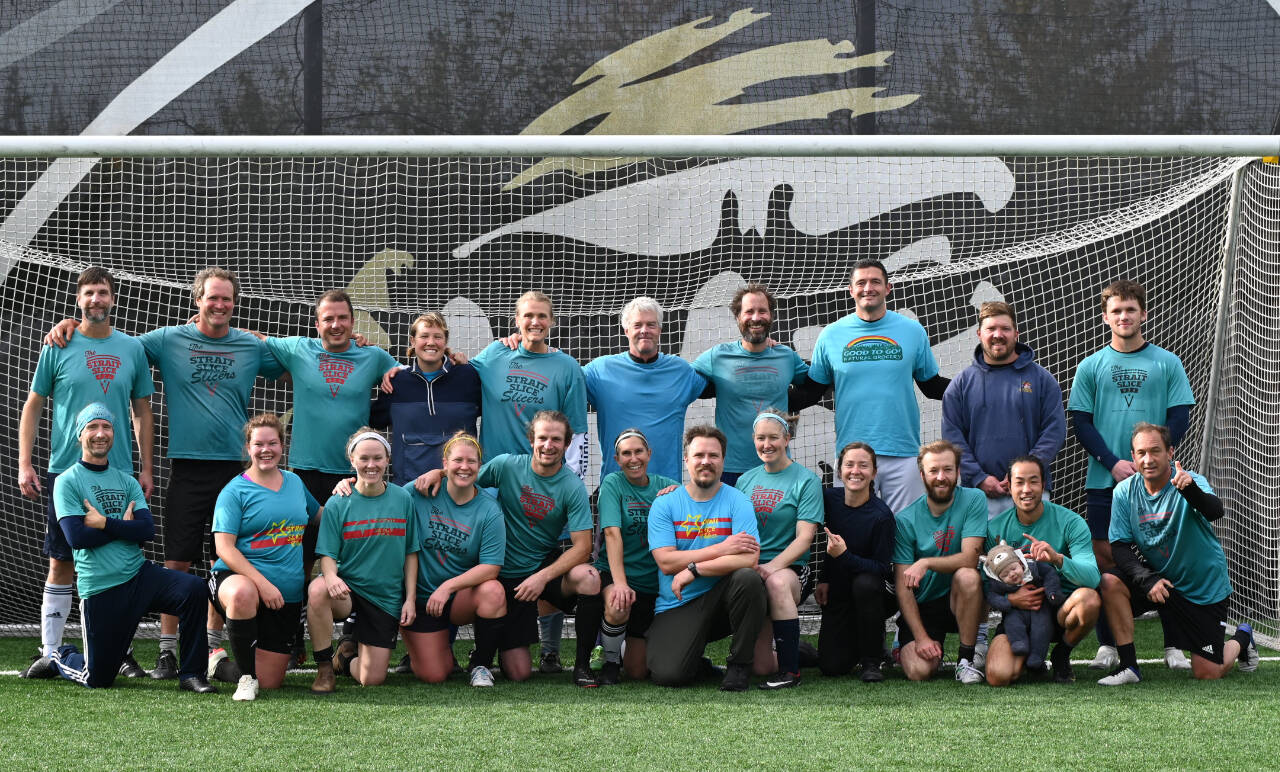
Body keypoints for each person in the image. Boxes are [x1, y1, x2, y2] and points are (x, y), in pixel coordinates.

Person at [45, 267, 284, 679]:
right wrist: (73, 324)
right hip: (187, 468)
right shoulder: (168, 339)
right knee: (178, 559)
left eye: (227, 298)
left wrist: (354, 339)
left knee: (222, 562)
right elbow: (110, 344)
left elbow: (306, 355)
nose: (220, 304)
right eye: (213, 297)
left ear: (235, 303)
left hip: (235, 470)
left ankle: (211, 650)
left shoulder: (250, 345)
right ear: (198, 300)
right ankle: (167, 652)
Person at [18, 267, 155, 678]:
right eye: (89, 293)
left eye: (104, 293)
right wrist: (25, 463)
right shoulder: (57, 344)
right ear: (78, 300)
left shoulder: (131, 348)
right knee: (62, 562)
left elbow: (142, 411)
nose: (97, 299)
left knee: (122, 564)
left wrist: (146, 468)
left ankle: (122, 651)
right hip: (68, 473)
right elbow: (33, 404)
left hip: (120, 475)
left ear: (113, 299)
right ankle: (51, 649)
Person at [29, 403, 215, 694]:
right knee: (99, 678)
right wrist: (122, 527)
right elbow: (77, 537)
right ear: (80, 434)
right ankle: (57, 656)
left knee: (193, 589)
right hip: (102, 587)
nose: (100, 433)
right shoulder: (67, 482)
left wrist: (103, 523)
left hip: (139, 576)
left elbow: (146, 530)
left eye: (106, 427)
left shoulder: (126, 481)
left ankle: (192, 674)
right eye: (93, 427)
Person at [1068, 279, 1195, 671]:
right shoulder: (1091, 366)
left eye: (1131, 310)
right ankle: (1109, 643)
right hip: (1105, 479)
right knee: (1106, 559)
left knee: (1169, 556)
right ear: (1105, 317)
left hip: (1158, 479)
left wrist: (1146, 463)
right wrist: (1113, 461)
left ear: (1143, 314)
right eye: (1116, 311)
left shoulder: (1167, 362)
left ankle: (1175, 643)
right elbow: (1081, 422)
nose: (1124, 317)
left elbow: (1179, 417)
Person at [419, 410, 598, 683]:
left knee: (589, 578)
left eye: (556, 439)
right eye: (542, 438)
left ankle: (583, 665)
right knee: (512, 658)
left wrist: (541, 577)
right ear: (531, 440)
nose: (548, 445)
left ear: (566, 444)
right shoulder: (506, 466)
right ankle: (481, 658)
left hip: (536, 569)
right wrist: (439, 472)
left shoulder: (572, 486)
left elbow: (583, 547)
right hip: (495, 569)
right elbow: (466, 475)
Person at [471, 291, 589, 671]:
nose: (535, 322)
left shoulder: (566, 366)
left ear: (552, 321)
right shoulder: (494, 355)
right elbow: (456, 369)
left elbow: (577, 433)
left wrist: (563, 482)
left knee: (546, 556)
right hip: (497, 485)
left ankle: (550, 648)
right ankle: (483, 648)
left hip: (546, 483)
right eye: (527, 316)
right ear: (515, 320)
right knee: (494, 566)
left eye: (542, 316)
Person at [1097, 423, 1258, 685]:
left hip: (1202, 588)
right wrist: (1145, 579)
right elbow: (1120, 547)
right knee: (1110, 581)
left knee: (1208, 672)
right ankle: (1128, 667)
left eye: (1155, 451)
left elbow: (1215, 511)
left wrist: (1191, 490)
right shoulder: (1124, 492)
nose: (1148, 460)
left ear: (1170, 452)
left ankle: (1242, 637)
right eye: (1141, 453)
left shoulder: (1189, 480)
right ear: (1133, 456)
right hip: (1162, 581)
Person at [792, 259, 950, 514]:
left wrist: (977, 386)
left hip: (903, 453)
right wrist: (765, 392)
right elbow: (811, 391)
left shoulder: (912, 331)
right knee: (854, 533)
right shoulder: (830, 335)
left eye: (875, 282)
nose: (869, 288)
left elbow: (931, 386)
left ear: (888, 288)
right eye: (861, 283)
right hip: (853, 457)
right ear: (851, 290)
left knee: (904, 534)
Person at [645, 425, 767, 691]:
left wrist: (694, 569)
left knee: (748, 579)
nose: (706, 462)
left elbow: (749, 559)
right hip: (678, 603)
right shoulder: (665, 504)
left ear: (723, 460)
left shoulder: (738, 501)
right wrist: (722, 548)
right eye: (699, 455)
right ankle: (696, 662)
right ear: (686, 459)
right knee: (669, 675)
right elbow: (666, 562)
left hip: (724, 597)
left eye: (713, 456)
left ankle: (739, 666)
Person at [209, 414, 319, 701]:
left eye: (272, 443)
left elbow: (321, 516)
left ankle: (218, 665)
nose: (265, 449)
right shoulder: (235, 491)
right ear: (248, 448)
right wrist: (262, 584)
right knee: (243, 592)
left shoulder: (295, 482)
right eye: (259, 444)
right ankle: (245, 680)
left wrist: (350, 491)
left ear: (282, 446)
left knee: (270, 681)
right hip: (239, 580)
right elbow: (224, 548)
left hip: (287, 594)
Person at [307, 429, 417, 690]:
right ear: (352, 461)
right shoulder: (338, 503)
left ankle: (343, 659)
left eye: (378, 458)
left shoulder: (402, 498)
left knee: (372, 679)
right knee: (318, 589)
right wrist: (331, 576)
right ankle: (324, 670)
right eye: (364, 458)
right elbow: (328, 554)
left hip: (384, 596)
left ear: (387, 460)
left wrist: (410, 599)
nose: (371, 465)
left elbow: (411, 553)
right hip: (349, 591)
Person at [983, 456, 1101, 686]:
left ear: (1044, 484)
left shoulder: (1071, 522)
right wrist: (1011, 598)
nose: (1026, 489)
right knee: (999, 676)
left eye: (1033, 482)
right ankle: (1030, 655)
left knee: (1090, 600)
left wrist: (1058, 559)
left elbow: (1092, 577)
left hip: (1058, 611)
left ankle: (1061, 654)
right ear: (1009, 486)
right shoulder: (995, 529)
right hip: (1017, 619)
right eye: (1019, 482)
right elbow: (984, 583)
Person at [941, 301, 1065, 519]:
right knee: (982, 554)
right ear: (979, 333)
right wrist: (979, 477)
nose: (998, 335)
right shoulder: (961, 384)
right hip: (978, 496)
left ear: (1016, 333)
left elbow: (1054, 431)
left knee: (1031, 554)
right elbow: (952, 438)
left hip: (1031, 492)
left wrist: (1023, 475)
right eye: (991, 329)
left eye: (1005, 329)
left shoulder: (1042, 379)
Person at [401, 432, 507, 687]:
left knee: (493, 591)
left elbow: (491, 567)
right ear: (444, 465)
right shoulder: (419, 491)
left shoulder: (489, 509)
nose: (464, 467)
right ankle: (433, 650)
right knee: (434, 675)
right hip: (422, 599)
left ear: (480, 467)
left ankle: (480, 663)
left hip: (457, 598)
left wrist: (448, 586)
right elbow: (381, 497)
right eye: (457, 460)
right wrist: (349, 483)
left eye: (471, 461)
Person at [573, 428, 678, 685]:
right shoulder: (613, 482)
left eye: (639, 451)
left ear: (649, 454)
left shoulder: (666, 486)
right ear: (617, 459)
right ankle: (610, 662)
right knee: (619, 603)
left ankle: (619, 645)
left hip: (652, 583)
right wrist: (620, 583)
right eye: (626, 454)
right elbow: (611, 534)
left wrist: (681, 495)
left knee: (638, 671)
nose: (634, 458)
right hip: (617, 573)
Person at [734, 408, 822, 689]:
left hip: (790, 568)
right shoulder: (744, 481)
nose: (766, 444)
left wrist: (771, 567)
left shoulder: (806, 480)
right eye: (760, 438)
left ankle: (790, 673)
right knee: (760, 666)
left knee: (777, 583)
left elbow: (804, 538)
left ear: (787, 439)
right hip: (754, 567)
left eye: (773, 437)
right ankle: (800, 651)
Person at [693, 284, 809, 485]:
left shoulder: (786, 356)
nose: (756, 318)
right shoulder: (717, 356)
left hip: (776, 467)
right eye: (749, 311)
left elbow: (815, 383)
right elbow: (682, 379)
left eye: (762, 311)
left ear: (771, 315)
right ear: (737, 317)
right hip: (729, 470)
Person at [892, 440, 986, 683]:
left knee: (968, 575)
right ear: (922, 475)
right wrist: (921, 637)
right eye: (933, 471)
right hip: (925, 605)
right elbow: (903, 587)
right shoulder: (905, 519)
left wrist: (926, 563)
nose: (941, 477)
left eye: (947, 469)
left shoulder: (974, 499)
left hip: (960, 598)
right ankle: (910, 643)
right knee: (919, 671)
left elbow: (970, 558)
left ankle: (966, 659)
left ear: (958, 472)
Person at [584, 297, 705, 482]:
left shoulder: (681, 372)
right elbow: (561, 379)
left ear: (660, 330)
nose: (644, 331)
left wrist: (762, 350)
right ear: (626, 330)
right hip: (617, 490)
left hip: (667, 488)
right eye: (637, 325)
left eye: (651, 325)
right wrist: (526, 347)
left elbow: (724, 380)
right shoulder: (599, 371)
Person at [815, 442, 896, 682]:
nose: (855, 471)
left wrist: (845, 556)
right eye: (849, 465)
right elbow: (820, 545)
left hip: (874, 594)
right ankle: (807, 651)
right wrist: (823, 579)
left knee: (865, 584)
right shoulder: (829, 500)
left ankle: (873, 659)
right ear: (840, 471)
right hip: (839, 593)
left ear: (874, 473)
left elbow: (882, 569)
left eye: (863, 465)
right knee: (831, 666)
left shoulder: (881, 516)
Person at [370, 312, 482, 485]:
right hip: (408, 489)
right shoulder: (396, 382)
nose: (431, 342)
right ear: (413, 341)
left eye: (438, 336)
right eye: (424, 336)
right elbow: (375, 421)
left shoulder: (468, 376)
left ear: (445, 342)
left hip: (458, 488)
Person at [980, 542, 1062, 672]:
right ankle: (1018, 643)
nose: (1012, 574)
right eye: (1005, 575)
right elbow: (992, 596)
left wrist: (1052, 592)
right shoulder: (998, 584)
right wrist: (1008, 601)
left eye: (1013, 569)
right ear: (998, 578)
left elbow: (1050, 574)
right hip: (1015, 612)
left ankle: (1037, 657)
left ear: (1020, 562)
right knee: (1013, 624)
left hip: (1039, 609)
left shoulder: (1032, 567)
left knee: (1041, 629)